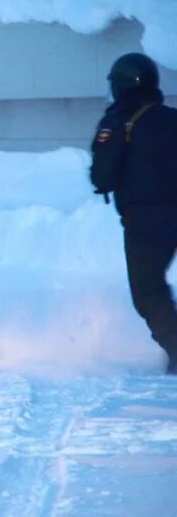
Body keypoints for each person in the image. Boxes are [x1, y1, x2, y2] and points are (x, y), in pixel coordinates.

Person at [90, 52, 177, 375]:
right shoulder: (172, 118)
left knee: (148, 289)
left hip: (145, 220)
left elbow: (103, 177)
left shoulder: (117, 122)